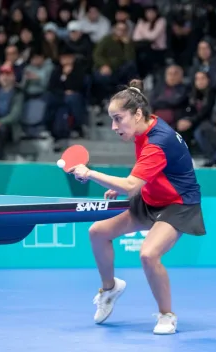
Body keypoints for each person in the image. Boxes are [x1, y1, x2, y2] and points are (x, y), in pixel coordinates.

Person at [68, 79, 206, 335]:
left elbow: (132, 184)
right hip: (152, 195)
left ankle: (167, 315)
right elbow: (141, 176)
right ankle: (109, 289)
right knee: (97, 232)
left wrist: (90, 173)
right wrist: (123, 186)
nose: (113, 126)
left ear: (138, 114)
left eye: (118, 119)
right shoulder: (144, 124)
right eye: (112, 119)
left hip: (179, 204)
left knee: (148, 254)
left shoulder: (158, 140)